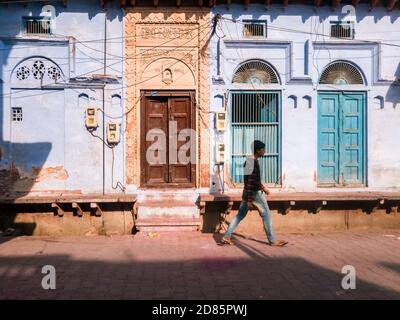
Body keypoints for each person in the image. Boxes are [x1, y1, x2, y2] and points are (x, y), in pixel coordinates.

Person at [221, 140, 288, 247]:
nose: (264, 152)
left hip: (247, 192)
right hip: (254, 194)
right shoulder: (253, 162)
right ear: (258, 150)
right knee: (266, 215)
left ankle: (226, 236)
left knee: (240, 216)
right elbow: (251, 182)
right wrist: (249, 200)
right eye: (263, 149)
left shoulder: (248, 161)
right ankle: (273, 240)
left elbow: (251, 180)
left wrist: (263, 188)